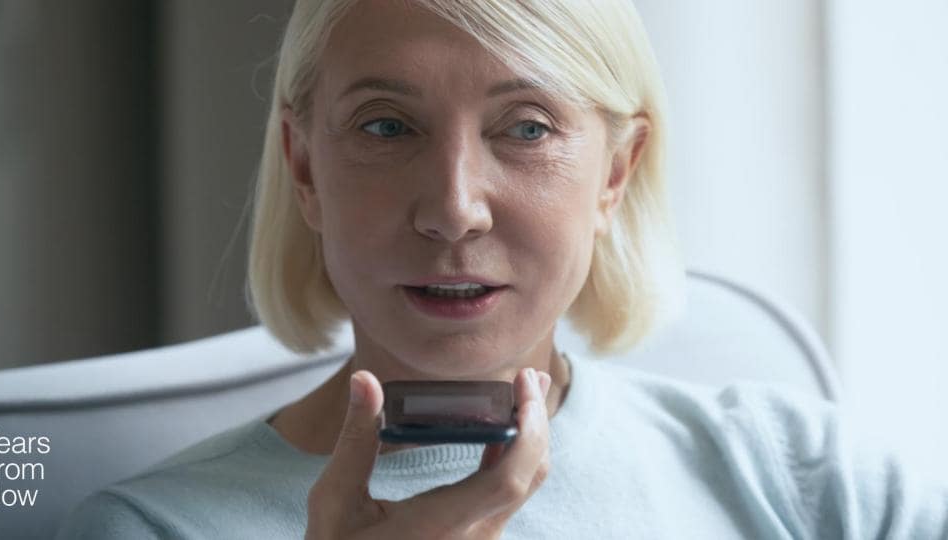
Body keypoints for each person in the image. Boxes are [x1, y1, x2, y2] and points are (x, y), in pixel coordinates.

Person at [57, 0, 947, 538]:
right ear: (303, 169)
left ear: (615, 173)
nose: (453, 208)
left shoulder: (799, 473)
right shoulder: (153, 530)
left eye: (526, 128)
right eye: (385, 126)